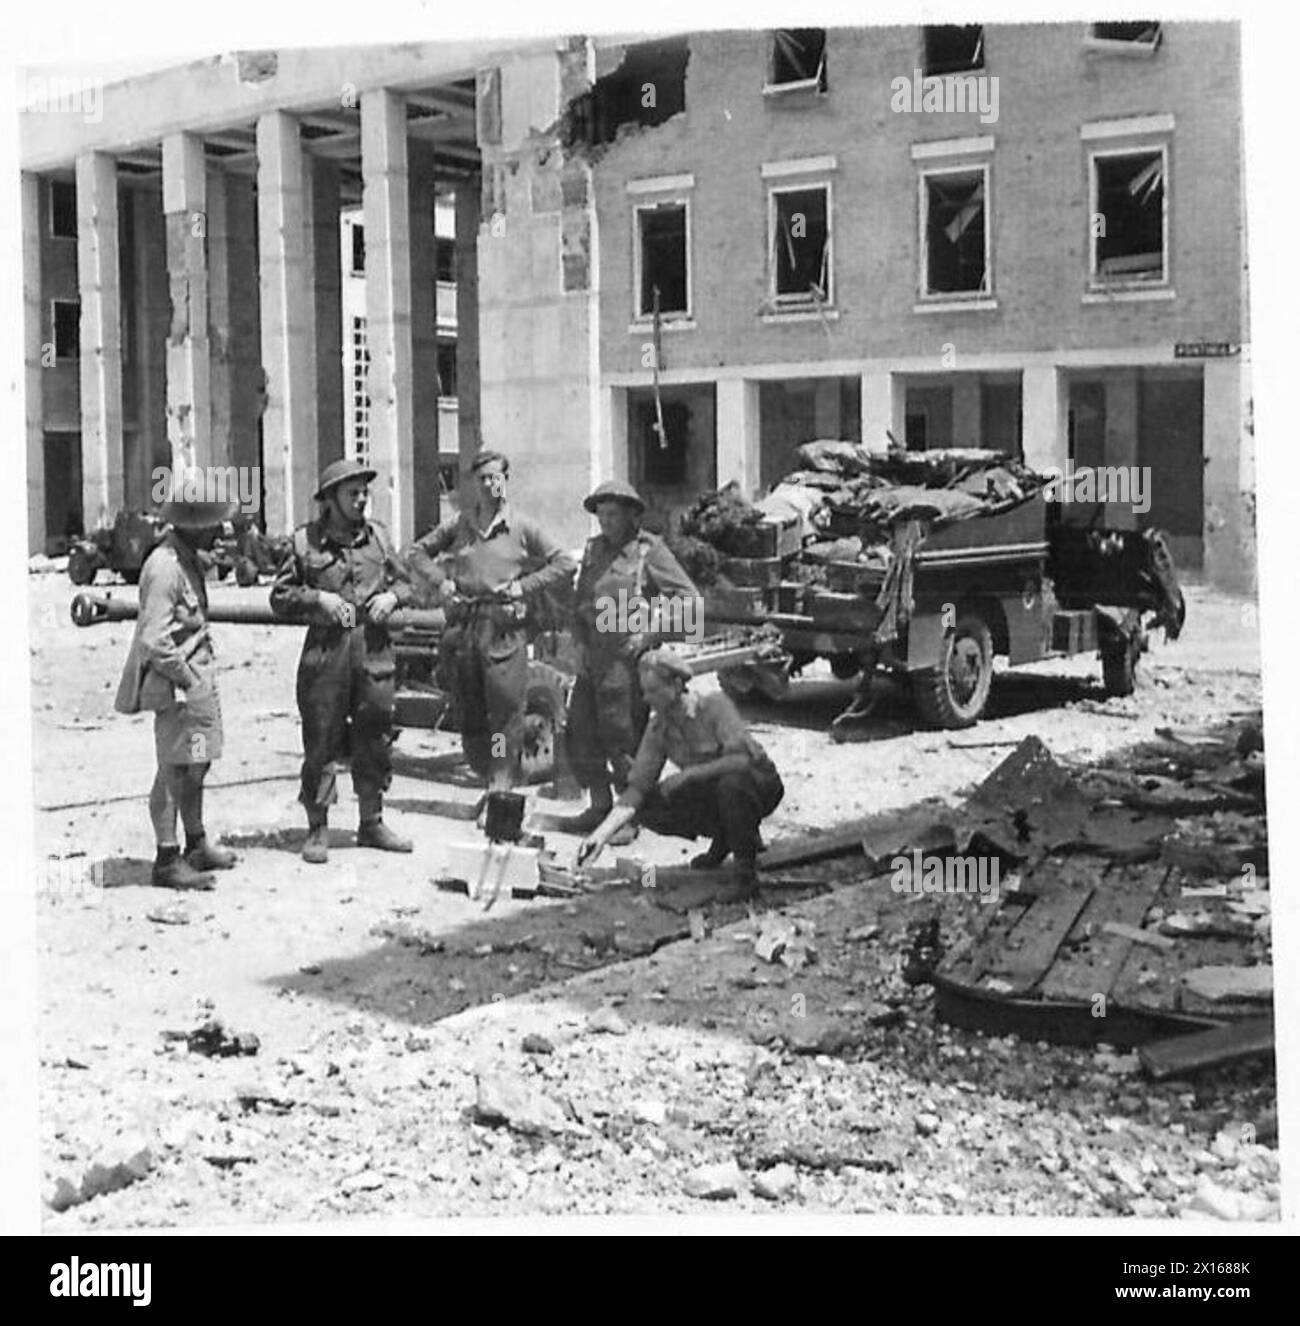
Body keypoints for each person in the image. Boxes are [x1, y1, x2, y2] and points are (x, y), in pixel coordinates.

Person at [269, 458, 417, 864]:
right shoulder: (305, 543)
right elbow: (279, 597)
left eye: (364, 492)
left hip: (373, 653)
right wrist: (318, 598)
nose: (361, 499)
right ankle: (318, 828)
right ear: (330, 500)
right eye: (352, 493)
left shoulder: (381, 541)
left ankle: (372, 821)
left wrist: (394, 597)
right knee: (321, 739)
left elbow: (409, 582)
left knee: (375, 734)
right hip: (325, 657)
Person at [405, 450, 575, 789]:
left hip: (502, 629)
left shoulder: (522, 527)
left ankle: (500, 784)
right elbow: (416, 553)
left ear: (505, 481)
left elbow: (564, 563)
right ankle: (487, 772)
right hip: (464, 627)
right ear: (474, 484)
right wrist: (442, 582)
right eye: (482, 478)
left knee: (505, 714)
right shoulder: (460, 523)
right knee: (469, 713)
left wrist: (523, 587)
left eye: (495, 477)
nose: (489, 484)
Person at [114, 470, 240, 890]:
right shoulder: (165, 568)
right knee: (173, 772)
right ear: (194, 524)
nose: (220, 532)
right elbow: (154, 640)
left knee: (197, 764)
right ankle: (167, 858)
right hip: (178, 691)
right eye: (214, 524)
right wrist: (189, 681)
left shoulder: (187, 561)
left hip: (196, 688)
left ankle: (196, 842)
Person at [576, 647, 785, 898]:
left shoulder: (714, 705)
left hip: (760, 784)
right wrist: (599, 836)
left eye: (653, 690)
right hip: (721, 792)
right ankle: (725, 838)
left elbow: (740, 761)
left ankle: (746, 877)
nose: (646, 698)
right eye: (644, 691)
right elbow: (636, 790)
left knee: (731, 785)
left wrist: (688, 775)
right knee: (649, 804)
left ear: (676, 685)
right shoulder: (659, 728)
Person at [567, 479, 699, 834]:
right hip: (592, 659)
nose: (605, 521)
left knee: (621, 736)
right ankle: (599, 807)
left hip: (626, 664)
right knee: (581, 730)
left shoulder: (648, 551)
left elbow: (688, 600)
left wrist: (649, 634)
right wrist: (578, 641)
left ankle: (628, 817)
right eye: (601, 515)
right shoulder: (594, 551)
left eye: (612, 514)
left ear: (631, 516)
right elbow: (580, 601)